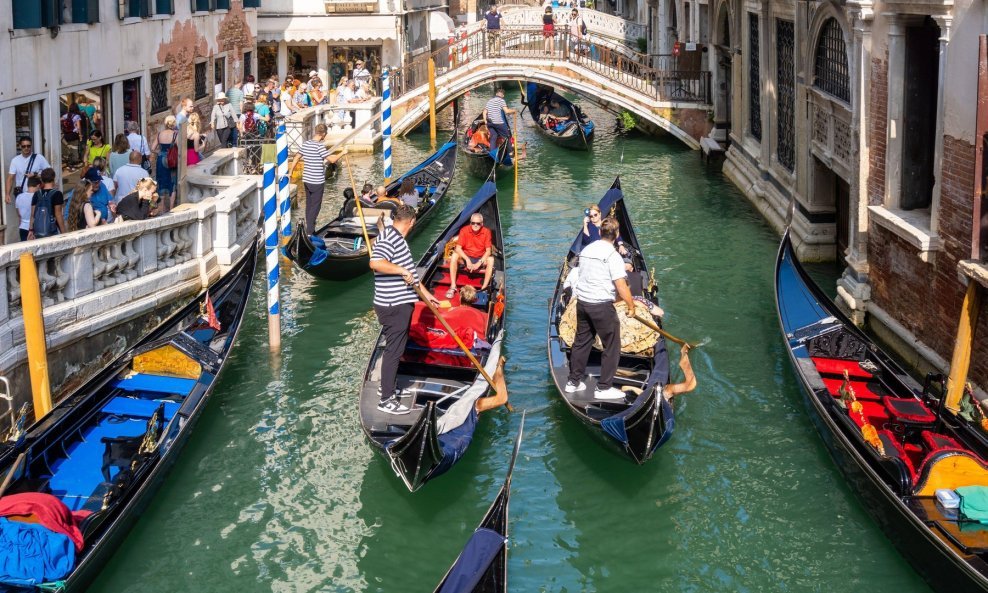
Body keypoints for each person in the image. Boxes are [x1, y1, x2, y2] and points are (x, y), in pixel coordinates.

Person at [368, 204, 440, 414]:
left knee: (394, 349)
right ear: (411, 221)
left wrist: (426, 296)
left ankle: (387, 386)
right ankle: (386, 400)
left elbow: (412, 276)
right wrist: (400, 270)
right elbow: (375, 263)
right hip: (394, 305)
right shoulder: (391, 239)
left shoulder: (392, 236)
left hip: (396, 303)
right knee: (394, 351)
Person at [565, 216, 636, 400]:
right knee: (612, 345)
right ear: (617, 234)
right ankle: (603, 388)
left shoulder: (587, 249)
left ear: (600, 232)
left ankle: (573, 382)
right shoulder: (613, 256)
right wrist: (631, 306)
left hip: (583, 303)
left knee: (581, 342)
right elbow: (621, 285)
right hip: (601, 307)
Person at [289, 124, 345, 234]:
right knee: (316, 207)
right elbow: (333, 160)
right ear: (323, 134)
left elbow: (296, 157)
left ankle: (310, 229)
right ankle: (309, 232)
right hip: (317, 181)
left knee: (309, 205)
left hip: (307, 180)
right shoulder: (319, 146)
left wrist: (290, 172)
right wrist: (343, 153)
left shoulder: (306, 144)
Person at [447, 212, 495, 297]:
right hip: (466, 257)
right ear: (470, 223)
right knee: (454, 255)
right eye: (473, 223)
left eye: (478, 223)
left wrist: (479, 263)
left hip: (480, 258)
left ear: (482, 224)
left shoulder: (486, 232)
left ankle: (483, 289)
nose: (475, 225)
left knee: (491, 260)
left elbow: (488, 251)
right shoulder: (464, 230)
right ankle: (453, 286)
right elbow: (458, 248)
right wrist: (467, 260)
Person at [5, 136, 50, 205]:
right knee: (22, 215)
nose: (26, 148)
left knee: (36, 215)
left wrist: (36, 175)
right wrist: (7, 194)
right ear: (20, 146)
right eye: (24, 146)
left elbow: (50, 173)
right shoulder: (15, 160)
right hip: (21, 195)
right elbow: (10, 178)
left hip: (36, 194)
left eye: (28, 146)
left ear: (31, 146)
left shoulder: (39, 158)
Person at [28, 168, 66, 239]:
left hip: (38, 232)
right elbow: (58, 214)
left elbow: (33, 214)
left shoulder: (37, 194)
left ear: (42, 180)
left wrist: (30, 230)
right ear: (53, 178)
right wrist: (64, 232)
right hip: (52, 231)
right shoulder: (57, 194)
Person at [154, 115, 179, 211]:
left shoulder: (159, 134)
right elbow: (179, 149)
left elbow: (152, 148)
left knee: (161, 181)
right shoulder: (175, 134)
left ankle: (162, 208)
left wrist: (160, 153)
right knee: (172, 181)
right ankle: (171, 208)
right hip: (171, 161)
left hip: (161, 160)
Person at [483, 87, 516, 156]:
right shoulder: (501, 101)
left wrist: (485, 121)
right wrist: (514, 110)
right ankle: (510, 153)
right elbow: (506, 111)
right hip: (498, 123)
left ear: (496, 94)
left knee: (493, 136)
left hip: (490, 123)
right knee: (507, 137)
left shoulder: (490, 101)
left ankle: (492, 153)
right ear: (503, 96)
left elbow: (484, 112)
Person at [226, 81, 245, 147]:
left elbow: (226, 101)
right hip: (237, 112)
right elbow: (241, 104)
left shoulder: (228, 91)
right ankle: (234, 144)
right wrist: (242, 112)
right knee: (235, 128)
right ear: (239, 83)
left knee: (229, 127)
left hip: (229, 112)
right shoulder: (240, 92)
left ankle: (229, 142)